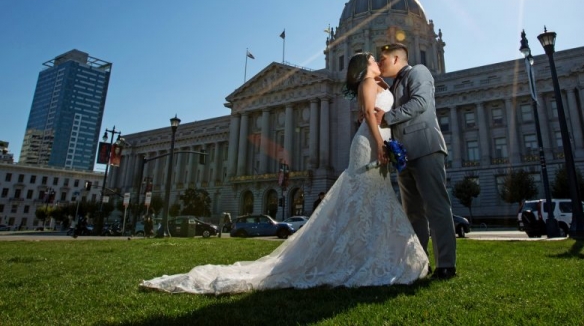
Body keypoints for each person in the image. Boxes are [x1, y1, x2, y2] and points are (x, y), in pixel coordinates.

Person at [140, 53, 428, 295]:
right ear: (363, 67)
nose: (377, 59)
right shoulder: (368, 82)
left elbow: (374, 110)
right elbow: (367, 113)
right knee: (363, 202)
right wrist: (381, 144)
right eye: (371, 58)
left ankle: (367, 255)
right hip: (371, 146)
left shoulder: (380, 83)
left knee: (368, 204)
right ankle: (360, 258)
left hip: (376, 146)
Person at [376, 42, 457, 279]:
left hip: (425, 149)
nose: (380, 64)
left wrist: (386, 117)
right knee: (413, 213)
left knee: (437, 207)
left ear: (395, 59)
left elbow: (420, 103)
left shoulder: (418, 71)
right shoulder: (394, 85)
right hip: (404, 157)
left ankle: (446, 264)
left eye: (382, 60)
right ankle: (420, 264)